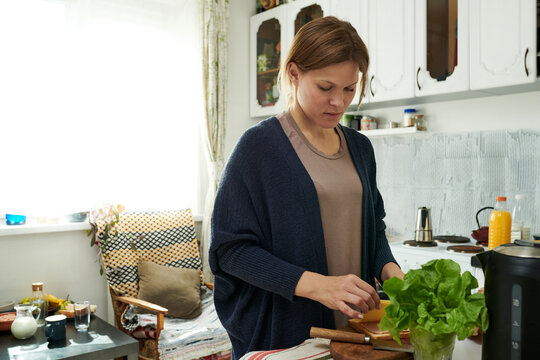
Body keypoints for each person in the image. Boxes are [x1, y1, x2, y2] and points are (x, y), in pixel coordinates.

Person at [209, 16, 404, 359]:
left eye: (349, 89)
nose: (339, 103)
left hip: (354, 332)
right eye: (326, 88)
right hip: (287, 332)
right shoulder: (258, 147)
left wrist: (394, 275)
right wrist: (320, 286)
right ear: (295, 74)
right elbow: (230, 250)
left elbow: (373, 230)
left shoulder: (360, 148)